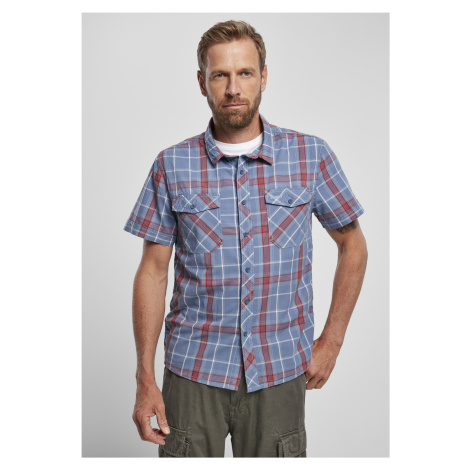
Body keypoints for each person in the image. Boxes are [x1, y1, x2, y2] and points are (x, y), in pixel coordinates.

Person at [123, 20, 368, 458]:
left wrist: (331, 340)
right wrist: (144, 377)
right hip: (193, 372)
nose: (233, 88)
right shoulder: (171, 165)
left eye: (245, 73)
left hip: (280, 371)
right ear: (202, 82)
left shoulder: (310, 156)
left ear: (264, 76)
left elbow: (353, 245)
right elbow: (153, 272)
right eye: (220, 75)